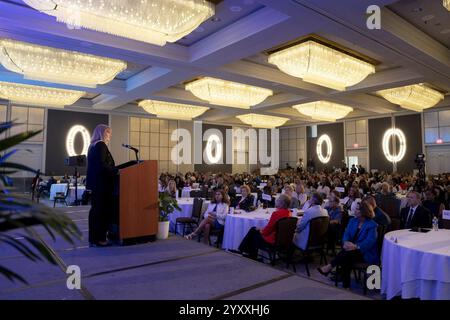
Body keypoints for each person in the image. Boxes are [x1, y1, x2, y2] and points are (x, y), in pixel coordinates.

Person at [317, 202, 378, 288]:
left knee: (347, 254)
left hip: (365, 252)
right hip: (350, 250)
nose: (354, 210)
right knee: (347, 255)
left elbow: (370, 242)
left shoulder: (372, 225)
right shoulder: (353, 220)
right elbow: (346, 234)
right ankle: (345, 284)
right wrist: (345, 242)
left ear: (363, 211)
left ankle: (330, 267)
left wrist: (356, 246)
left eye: (357, 209)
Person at [86, 124, 118, 247]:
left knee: (95, 212)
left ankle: (93, 239)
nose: (109, 136)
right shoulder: (101, 145)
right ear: (101, 133)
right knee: (101, 212)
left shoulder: (92, 146)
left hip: (96, 185)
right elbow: (102, 165)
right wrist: (116, 171)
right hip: (102, 185)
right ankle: (100, 239)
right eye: (107, 133)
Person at [238, 194, 292, 260]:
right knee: (254, 230)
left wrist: (261, 230)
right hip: (281, 239)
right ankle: (245, 251)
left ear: (282, 203)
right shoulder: (289, 213)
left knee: (254, 233)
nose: (276, 201)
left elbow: (268, 230)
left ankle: (247, 252)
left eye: (278, 200)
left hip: (273, 239)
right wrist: (261, 229)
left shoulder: (276, 214)